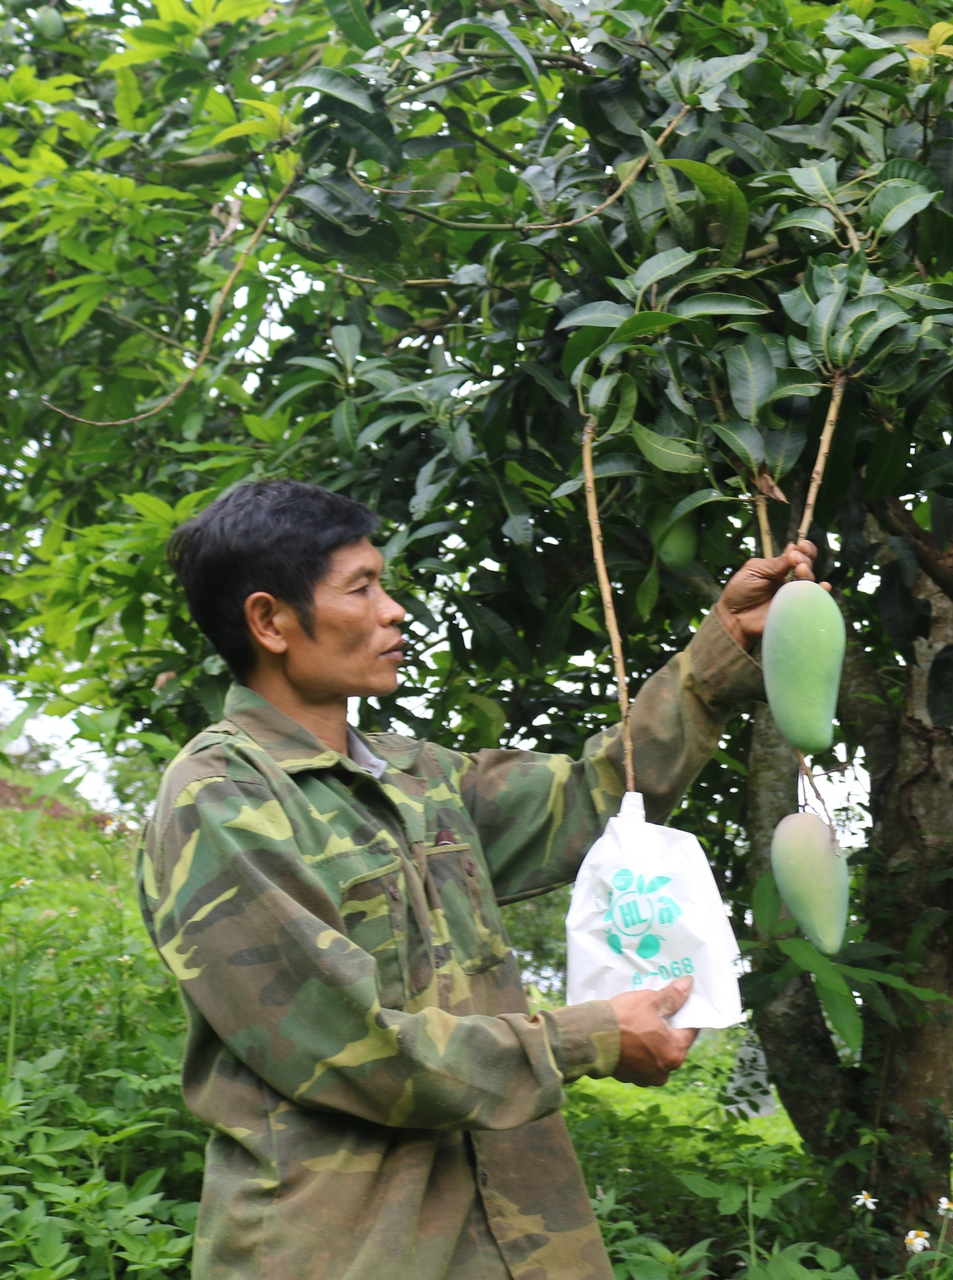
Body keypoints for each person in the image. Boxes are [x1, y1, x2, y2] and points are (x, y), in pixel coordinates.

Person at [140, 478, 819, 1280]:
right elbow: (352, 1049)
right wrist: (590, 1034)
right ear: (269, 620)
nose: (394, 611)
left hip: (524, 1239)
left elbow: (594, 795)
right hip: (345, 1250)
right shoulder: (221, 797)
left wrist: (719, 650)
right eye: (361, 587)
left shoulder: (419, 776)